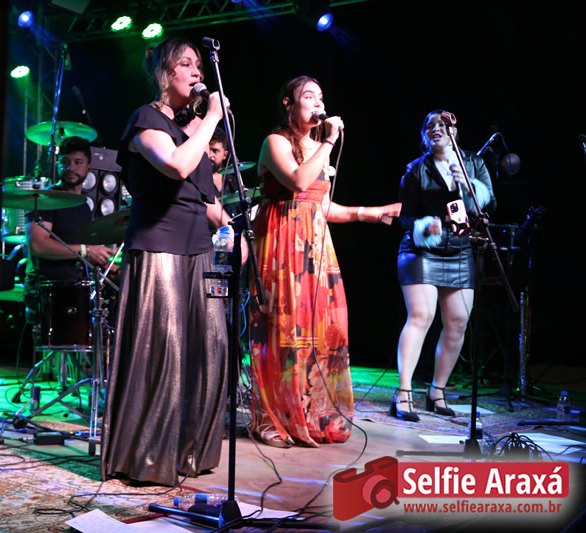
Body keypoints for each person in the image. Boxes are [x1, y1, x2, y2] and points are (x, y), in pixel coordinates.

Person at [101, 37, 246, 487]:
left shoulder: (192, 128)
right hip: (158, 245)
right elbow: (177, 166)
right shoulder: (145, 120)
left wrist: (234, 230)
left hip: (198, 247)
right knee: (165, 351)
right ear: (165, 74)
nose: (197, 72)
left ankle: (190, 453)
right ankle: (145, 458)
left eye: (199, 64)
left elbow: (203, 196)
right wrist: (212, 118)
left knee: (211, 348)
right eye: (186, 64)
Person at [249, 75, 401, 447]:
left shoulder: (317, 148)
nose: (318, 102)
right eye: (309, 96)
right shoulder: (275, 142)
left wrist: (370, 213)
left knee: (320, 331)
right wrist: (330, 141)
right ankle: (274, 419)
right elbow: (299, 183)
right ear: (288, 104)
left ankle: (311, 412)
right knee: (283, 331)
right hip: (282, 245)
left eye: (321, 96)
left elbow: (320, 205)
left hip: (315, 249)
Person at [391, 110, 496, 421]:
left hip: (461, 249)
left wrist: (470, 185)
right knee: (421, 316)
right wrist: (424, 225)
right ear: (424, 135)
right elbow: (404, 217)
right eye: (430, 126)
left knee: (458, 321)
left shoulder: (472, 163)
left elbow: (490, 203)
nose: (436, 129)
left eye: (442, 125)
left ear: (454, 130)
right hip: (422, 249)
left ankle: (437, 391)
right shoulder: (415, 169)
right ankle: (404, 393)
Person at [23, 136, 117, 349]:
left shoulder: (83, 205)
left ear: (89, 167)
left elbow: (74, 250)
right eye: (65, 162)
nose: (70, 168)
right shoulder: (45, 199)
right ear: (57, 164)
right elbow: (38, 245)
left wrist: (102, 264)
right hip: (47, 289)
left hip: (75, 287)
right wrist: (86, 251)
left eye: (77, 162)